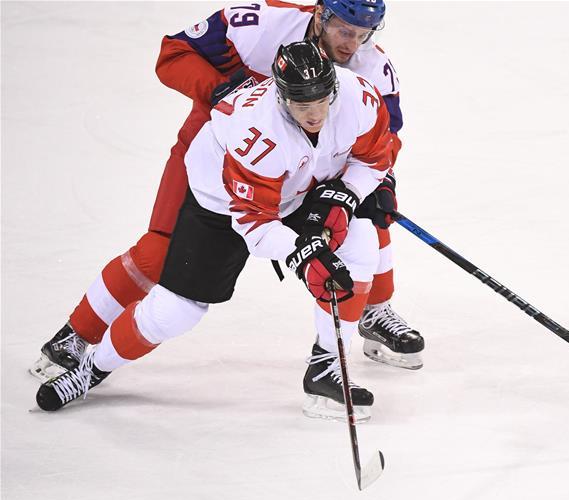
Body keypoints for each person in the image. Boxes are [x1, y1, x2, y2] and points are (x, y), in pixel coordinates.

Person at [32, 0, 424, 395]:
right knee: (160, 254)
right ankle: (77, 337)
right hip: (222, 162)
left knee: (363, 222)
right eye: (344, 30)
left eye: (364, 34)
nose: (353, 44)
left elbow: (381, 143)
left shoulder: (369, 72)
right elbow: (173, 55)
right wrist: (223, 89)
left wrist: (371, 187)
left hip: (307, 166)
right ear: (320, 14)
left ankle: (367, 316)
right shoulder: (262, 26)